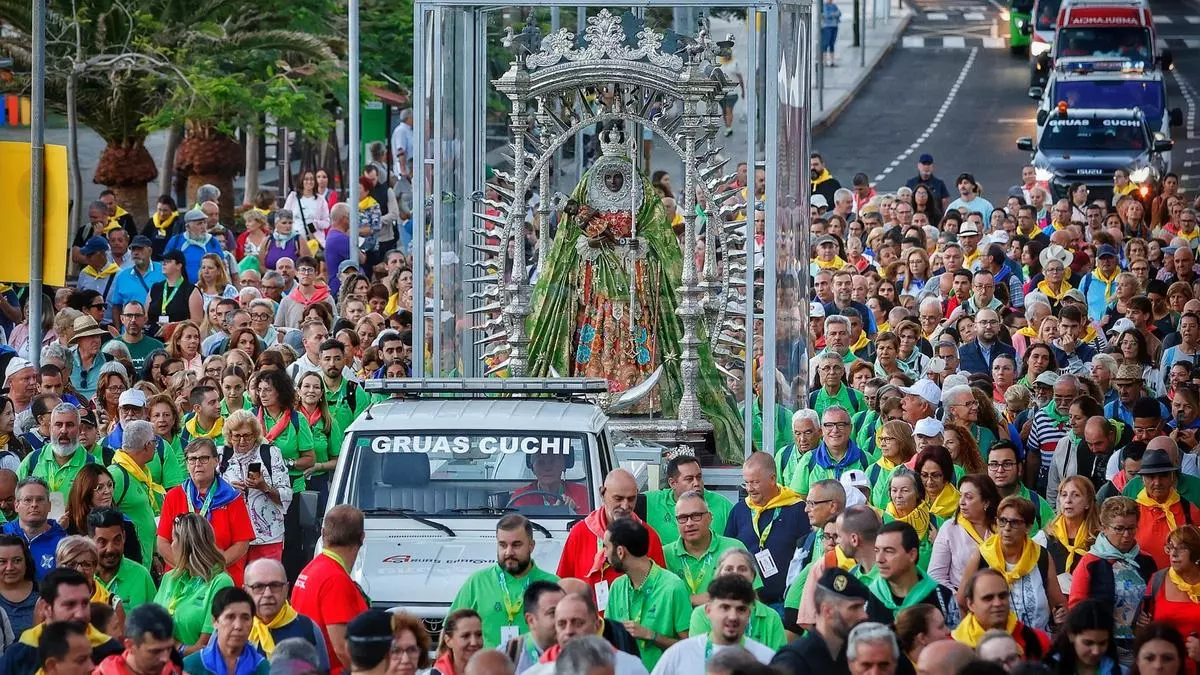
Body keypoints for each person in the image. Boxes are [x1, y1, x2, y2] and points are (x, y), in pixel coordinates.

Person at [449, 514, 559, 649]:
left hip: (536, 669)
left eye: (516, 545)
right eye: (502, 545)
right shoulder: (477, 582)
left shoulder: (553, 586)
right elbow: (450, 632)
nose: (508, 552)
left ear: (531, 546)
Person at [958, 496, 1066, 633]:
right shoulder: (982, 556)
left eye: (1014, 522)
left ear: (1028, 527)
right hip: (993, 646)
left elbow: (1058, 603)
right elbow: (962, 602)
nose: (1007, 528)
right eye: (1002, 521)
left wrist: (1060, 616)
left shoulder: (1041, 556)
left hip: (1037, 645)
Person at [1068, 497, 1157, 661]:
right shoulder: (1090, 562)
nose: (1126, 535)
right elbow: (1077, 608)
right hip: (1101, 647)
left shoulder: (1146, 561)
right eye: (1119, 529)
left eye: (1131, 528)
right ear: (1104, 528)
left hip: (1139, 645)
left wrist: (1148, 617)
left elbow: (1154, 601)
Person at [556, 469, 666, 594]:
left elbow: (660, 588)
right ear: (602, 493)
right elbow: (562, 585)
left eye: (631, 499)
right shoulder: (580, 532)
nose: (625, 506)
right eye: (618, 499)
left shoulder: (648, 535)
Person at [603, 517, 691, 672]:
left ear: (620, 552)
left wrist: (652, 636)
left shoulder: (673, 587)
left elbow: (690, 648)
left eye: (606, 547)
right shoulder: (617, 586)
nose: (603, 554)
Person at [291, 504, 370, 673]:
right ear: (362, 537)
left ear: (323, 533)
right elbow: (342, 648)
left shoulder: (311, 569)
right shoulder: (335, 579)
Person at [726, 451, 809, 611]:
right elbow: (728, 553)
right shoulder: (740, 510)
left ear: (772, 479)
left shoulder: (797, 509)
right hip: (745, 603)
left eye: (755, 482)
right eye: (746, 483)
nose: (750, 489)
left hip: (784, 603)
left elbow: (806, 556)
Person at [0, 568, 123, 675]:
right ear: (46, 608)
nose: (80, 614)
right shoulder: (18, 655)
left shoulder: (111, 651)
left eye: (85, 603)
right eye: (70, 605)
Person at [649, 574, 775, 674]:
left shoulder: (765, 658)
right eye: (725, 608)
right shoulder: (679, 654)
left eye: (741, 609)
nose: (732, 617)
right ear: (708, 611)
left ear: (748, 614)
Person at [218, 409, 292, 563]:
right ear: (229, 436)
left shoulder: (271, 453)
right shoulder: (221, 456)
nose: (242, 441)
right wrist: (228, 491)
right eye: (236, 436)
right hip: (233, 538)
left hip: (268, 537)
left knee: (265, 583)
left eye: (247, 436)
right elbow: (210, 495)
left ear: (255, 435)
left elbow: (286, 495)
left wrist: (264, 487)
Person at [153, 513, 234, 651]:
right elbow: (149, 623)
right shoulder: (169, 578)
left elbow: (206, 645)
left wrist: (175, 647)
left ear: (186, 544)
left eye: (173, 540)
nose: (171, 546)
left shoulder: (220, 582)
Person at [520, 591, 649, 675]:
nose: (569, 631)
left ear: (597, 625)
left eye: (578, 623)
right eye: (562, 624)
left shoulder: (630, 668)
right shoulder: (536, 672)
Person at [771, 568, 871, 675]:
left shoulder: (856, 656)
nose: (864, 615)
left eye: (862, 607)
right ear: (827, 611)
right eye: (854, 608)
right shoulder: (794, 661)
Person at [662, 490, 750, 606]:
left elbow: (748, 595)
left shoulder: (734, 549)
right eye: (683, 518)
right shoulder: (665, 554)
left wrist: (686, 600)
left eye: (696, 516)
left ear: (709, 517)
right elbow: (659, 600)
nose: (689, 523)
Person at [688, 548, 787, 650]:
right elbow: (699, 655)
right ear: (718, 575)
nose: (735, 573)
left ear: (753, 576)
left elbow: (779, 660)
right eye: (729, 569)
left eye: (742, 569)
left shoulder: (771, 616)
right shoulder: (701, 614)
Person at [867, 521, 959, 625]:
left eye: (889, 551)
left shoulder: (941, 597)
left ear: (912, 555)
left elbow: (954, 637)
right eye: (876, 551)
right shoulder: (868, 598)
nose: (879, 559)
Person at [242, 558, 327, 669]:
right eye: (258, 587)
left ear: (287, 589)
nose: (267, 594)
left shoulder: (307, 628)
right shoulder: (230, 628)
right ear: (245, 591)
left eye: (275, 585)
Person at [951, 568, 1049, 658]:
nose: (997, 603)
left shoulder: (1037, 640)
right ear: (970, 604)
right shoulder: (953, 649)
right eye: (988, 598)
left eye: (1002, 596)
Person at [17, 403, 98, 507]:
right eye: (58, 425)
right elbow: (16, 499)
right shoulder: (32, 460)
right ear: (50, 428)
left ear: (79, 429)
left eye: (69, 425)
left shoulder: (93, 465)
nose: (64, 430)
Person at [645, 455, 735, 544]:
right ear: (672, 483)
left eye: (699, 477)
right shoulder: (651, 502)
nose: (696, 483)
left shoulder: (723, 505)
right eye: (689, 479)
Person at [108, 419, 161, 566]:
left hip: (145, 560)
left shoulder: (140, 472)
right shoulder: (116, 475)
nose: (156, 446)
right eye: (154, 441)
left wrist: (154, 553)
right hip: (129, 563)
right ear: (147, 445)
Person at [181, 587, 269, 675]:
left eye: (245, 618)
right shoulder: (191, 667)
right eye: (230, 617)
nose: (238, 626)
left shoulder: (264, 669)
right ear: (215, 621)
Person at [1133, 449, 1197, 569]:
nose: (1157, 482)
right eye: (1151, 477)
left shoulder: (1189, 509)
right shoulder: (1133, 511)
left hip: (1182, 582)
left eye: (1163, 476)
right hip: (1144, 583)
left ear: (1172, 477)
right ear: (1142, 479)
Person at [1141, 525, 1200, 649]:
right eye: (1171, 547)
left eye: (1182, 548)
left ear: (1195, 552)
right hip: (1164, 662)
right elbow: (1142, 628)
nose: (1174, 554)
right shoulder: (1158, 579)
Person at [87, 508, 155, 611]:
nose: (110, 549)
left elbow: (158, 622)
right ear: (90, 541)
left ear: (124, 537)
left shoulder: (141, 575)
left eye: (116, 540)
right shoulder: (82, 578)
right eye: (102, 542)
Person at [1, 477, 67, 581]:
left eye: (40, 499)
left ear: (49, 506)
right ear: (16, 505)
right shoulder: (3, 534)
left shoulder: (64, 543)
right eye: (27, 500)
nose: (34, 504)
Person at [92, 603, 183, 675]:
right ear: (130, 645)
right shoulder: (104, 673)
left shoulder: (173, 668)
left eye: (169, 648)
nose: (165, 658)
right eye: (155, 652)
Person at [1043, 600, 1120, 675]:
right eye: (1088, 643)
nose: (1096, 651)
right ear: (1071, 636)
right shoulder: (1049, 669)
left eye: (1102, 643)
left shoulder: (1119, 670)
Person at [504, 580, 563, 674]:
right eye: (553, 613)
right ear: (531, 620)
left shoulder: (580, 652)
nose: (562, 620)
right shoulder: (509, 654)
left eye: (564, 611)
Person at [0, 534, 38, 635]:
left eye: (17, 560)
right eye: (2, 562)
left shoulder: (43, 593)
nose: (9, 567)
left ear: (27, 562)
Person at [432, 609, 484, 675]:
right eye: (466, 636)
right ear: (448, 641)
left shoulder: (495, 671)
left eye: (479, 635)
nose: (474, 642)